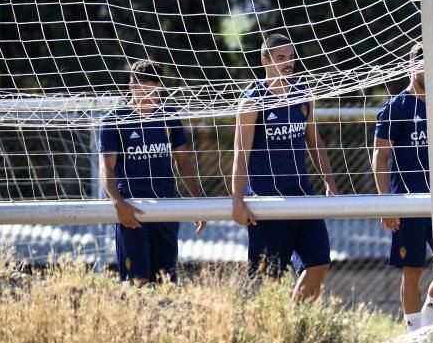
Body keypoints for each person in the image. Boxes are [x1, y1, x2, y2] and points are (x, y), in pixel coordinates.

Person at [231, 33, 338, 303]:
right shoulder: (252, 102)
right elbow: (240, 155)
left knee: (319, 263)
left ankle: (295, 324)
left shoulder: (303, 95)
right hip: (267, 202)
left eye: (291, 57)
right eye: (280, 58)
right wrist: (237, 200)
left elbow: (315, 142)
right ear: (264, 60)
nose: (288, 63)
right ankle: (274, 334)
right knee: (270, 281)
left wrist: (329, 182)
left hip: (303, 196)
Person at [372, 43, 433, 331]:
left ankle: (427, 320)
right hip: (408, 203)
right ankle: (413, 333)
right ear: (412, 67)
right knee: (411, 273)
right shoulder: (397, 106)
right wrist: (386, 203)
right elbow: (380, 157)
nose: (429, 70)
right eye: (423, 64)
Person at [99, 59, 205, 286]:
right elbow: (106, 168)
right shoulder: (113, 120)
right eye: (144, 89)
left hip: (166, 209)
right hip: (132, 212)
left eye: (155, 90)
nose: (150, 96)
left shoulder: (168, 115)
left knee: (166, 283)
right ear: (131, 86)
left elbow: (183, 160)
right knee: (138, 282)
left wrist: (198, 200)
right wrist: (118, 203)